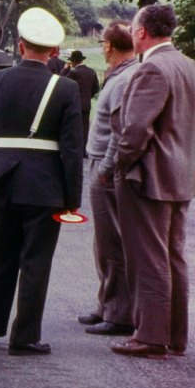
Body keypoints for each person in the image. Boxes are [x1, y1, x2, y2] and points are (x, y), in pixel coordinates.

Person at [0, 7, 83, 355]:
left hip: (2, 177)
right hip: (45, 184)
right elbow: (73, 149)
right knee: (35, 261)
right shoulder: (66, 88)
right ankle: (24, 337)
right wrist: (72, 199)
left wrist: (4, 137)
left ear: (20, 45)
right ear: (54, 51)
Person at [111, 5, 195, 359]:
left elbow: (135, 130)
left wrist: (121, 164)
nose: (131, 32)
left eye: (133, 27)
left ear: (141, 32)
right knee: (173, 256)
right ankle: (174, 336)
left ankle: (151, 337)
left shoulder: (152, 68)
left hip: (150, 179)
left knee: (149, 258)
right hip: (181, 177)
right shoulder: (191, 67)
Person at [80, 21, 138, 336]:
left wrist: (104, 169)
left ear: (110, 46)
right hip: (102, 164)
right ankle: (106, 304)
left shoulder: (124, 79)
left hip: (106, 167)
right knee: (103, 241)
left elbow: (119, 132)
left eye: (103, 43)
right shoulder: (120, 75)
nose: (102, 48)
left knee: (112, 241)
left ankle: (118, 313)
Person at [62, 49, 100, 153]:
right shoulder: (91, 71)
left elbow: (61, 81)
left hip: (75, 104)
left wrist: (65, 69)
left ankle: (76, 149)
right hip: (86, 104)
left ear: (73, 61)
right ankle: (84, 150)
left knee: (75, 128)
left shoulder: (73, 72)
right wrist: (88, 96)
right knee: (85, 128)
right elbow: (96, 88)